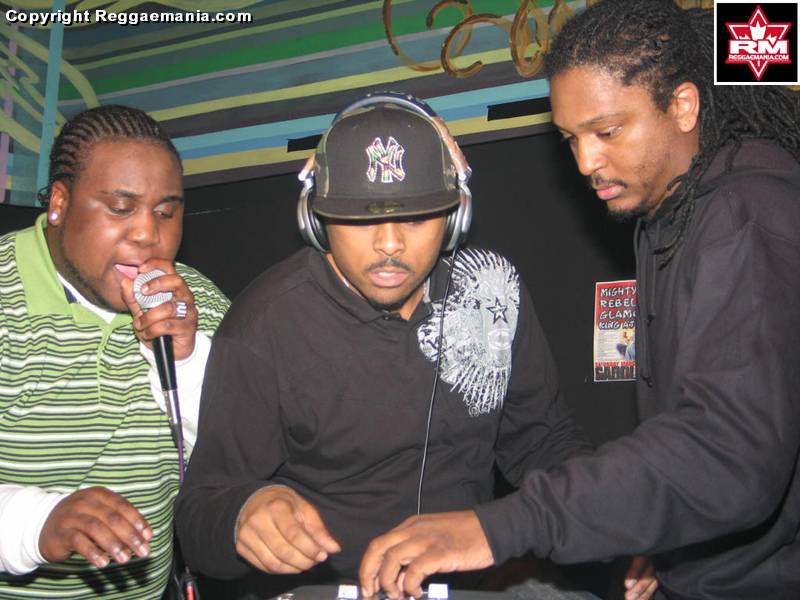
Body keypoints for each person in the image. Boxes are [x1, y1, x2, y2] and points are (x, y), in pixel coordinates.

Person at [358, 2, 800, 599]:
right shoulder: (671, 215)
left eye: (607, 132)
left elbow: (729, 453)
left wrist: (500, 527)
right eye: (571, 139)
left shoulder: (745, 218)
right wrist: (656, 527)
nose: (586, 162)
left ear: (683, 106)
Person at [174, 94, 633, 600]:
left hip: (472, 576)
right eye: (360, 219)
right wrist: (240, 515)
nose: (389, 244)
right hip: (332, 587)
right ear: (316, 219)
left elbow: (543, 442)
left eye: (416, 217)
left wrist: (613, 517)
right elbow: (199, 514)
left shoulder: (491, 294)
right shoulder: (266, 324)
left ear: (455, 216)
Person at [0, 105, 230, 598]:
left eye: (166, 213)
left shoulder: (200, 304)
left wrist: (187, 360)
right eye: (121, 208)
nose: (148, 234)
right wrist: (36, 521)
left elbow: (235, 463)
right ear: (59, 203)